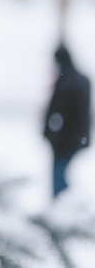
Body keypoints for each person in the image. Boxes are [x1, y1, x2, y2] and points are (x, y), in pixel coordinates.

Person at [43, 45, 91, 197]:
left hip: (64, 141)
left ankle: (61, 206)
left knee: (59, 176)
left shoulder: (65, 83)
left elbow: (57, 115)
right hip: (75, 139)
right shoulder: (82, 80)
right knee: (63, 173)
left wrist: (52, 135)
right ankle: (67, 205)